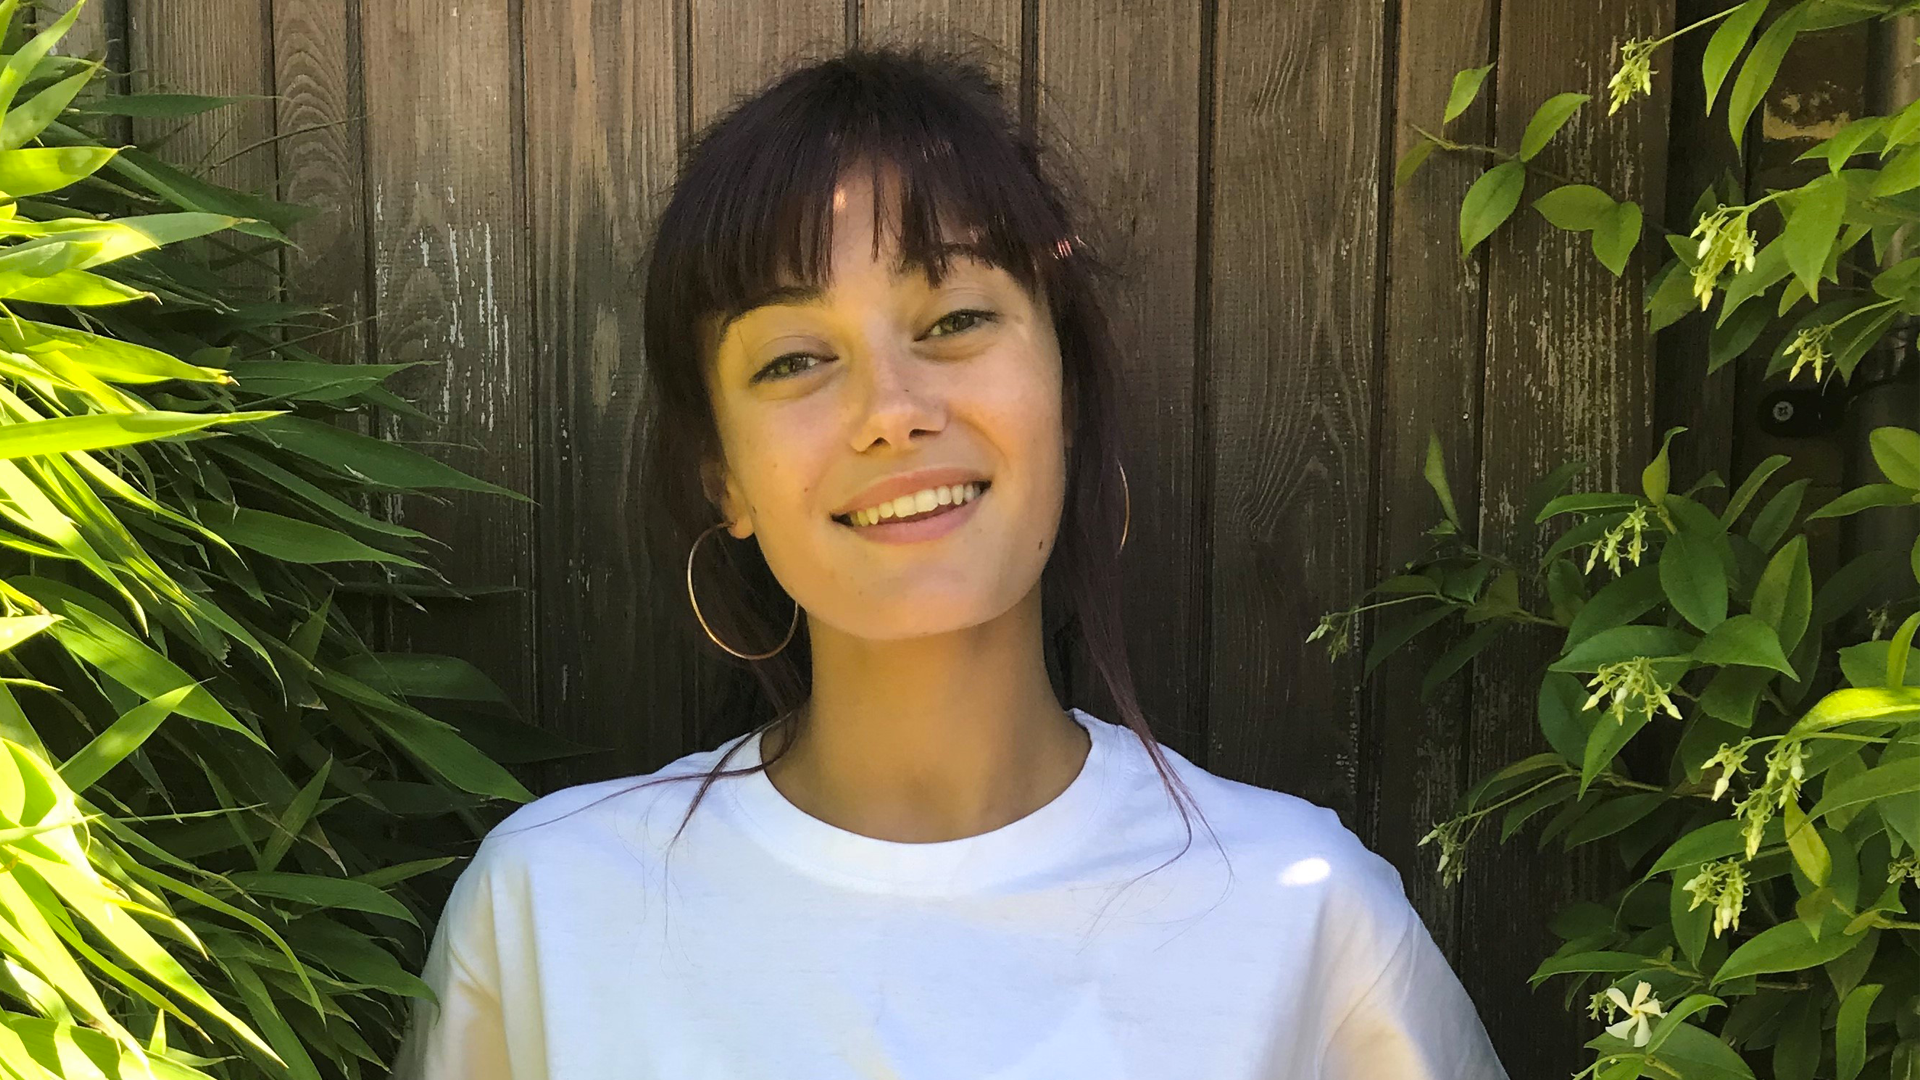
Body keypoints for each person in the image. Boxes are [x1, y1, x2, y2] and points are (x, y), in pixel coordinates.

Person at [390, 43, 1510, 1080]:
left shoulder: (1305, 921)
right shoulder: (550, 915)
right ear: (720, 476)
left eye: (956, 317)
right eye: (791, 359)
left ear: (1066, 397)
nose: (892, 411)